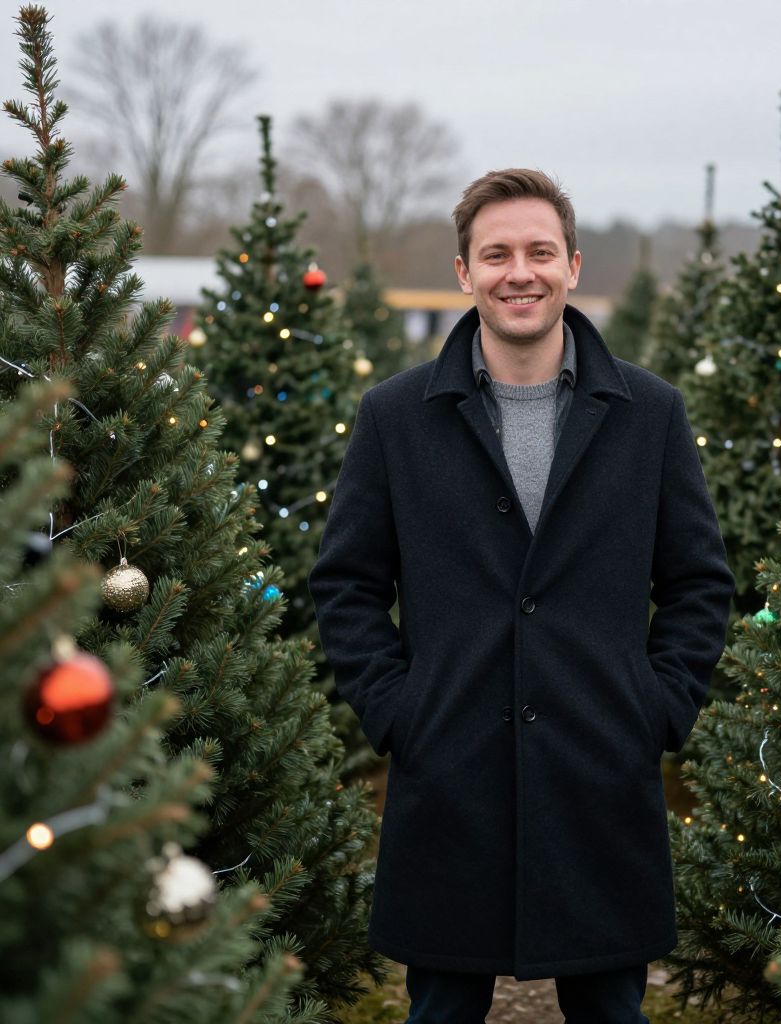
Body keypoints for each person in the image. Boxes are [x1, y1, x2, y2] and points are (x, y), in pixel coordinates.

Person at [309, 168, 734, 1024]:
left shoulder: (649, 412)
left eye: (540, 252)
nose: (520, 272)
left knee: (613, 1011)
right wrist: (400, 710)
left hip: (600, 771)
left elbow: (697, 583)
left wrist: (655, 708)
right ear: (464, 274)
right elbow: (347, 585)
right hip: (448, 771)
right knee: (439, 1012)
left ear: (573, 265)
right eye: (495, 254)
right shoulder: (395, 416)